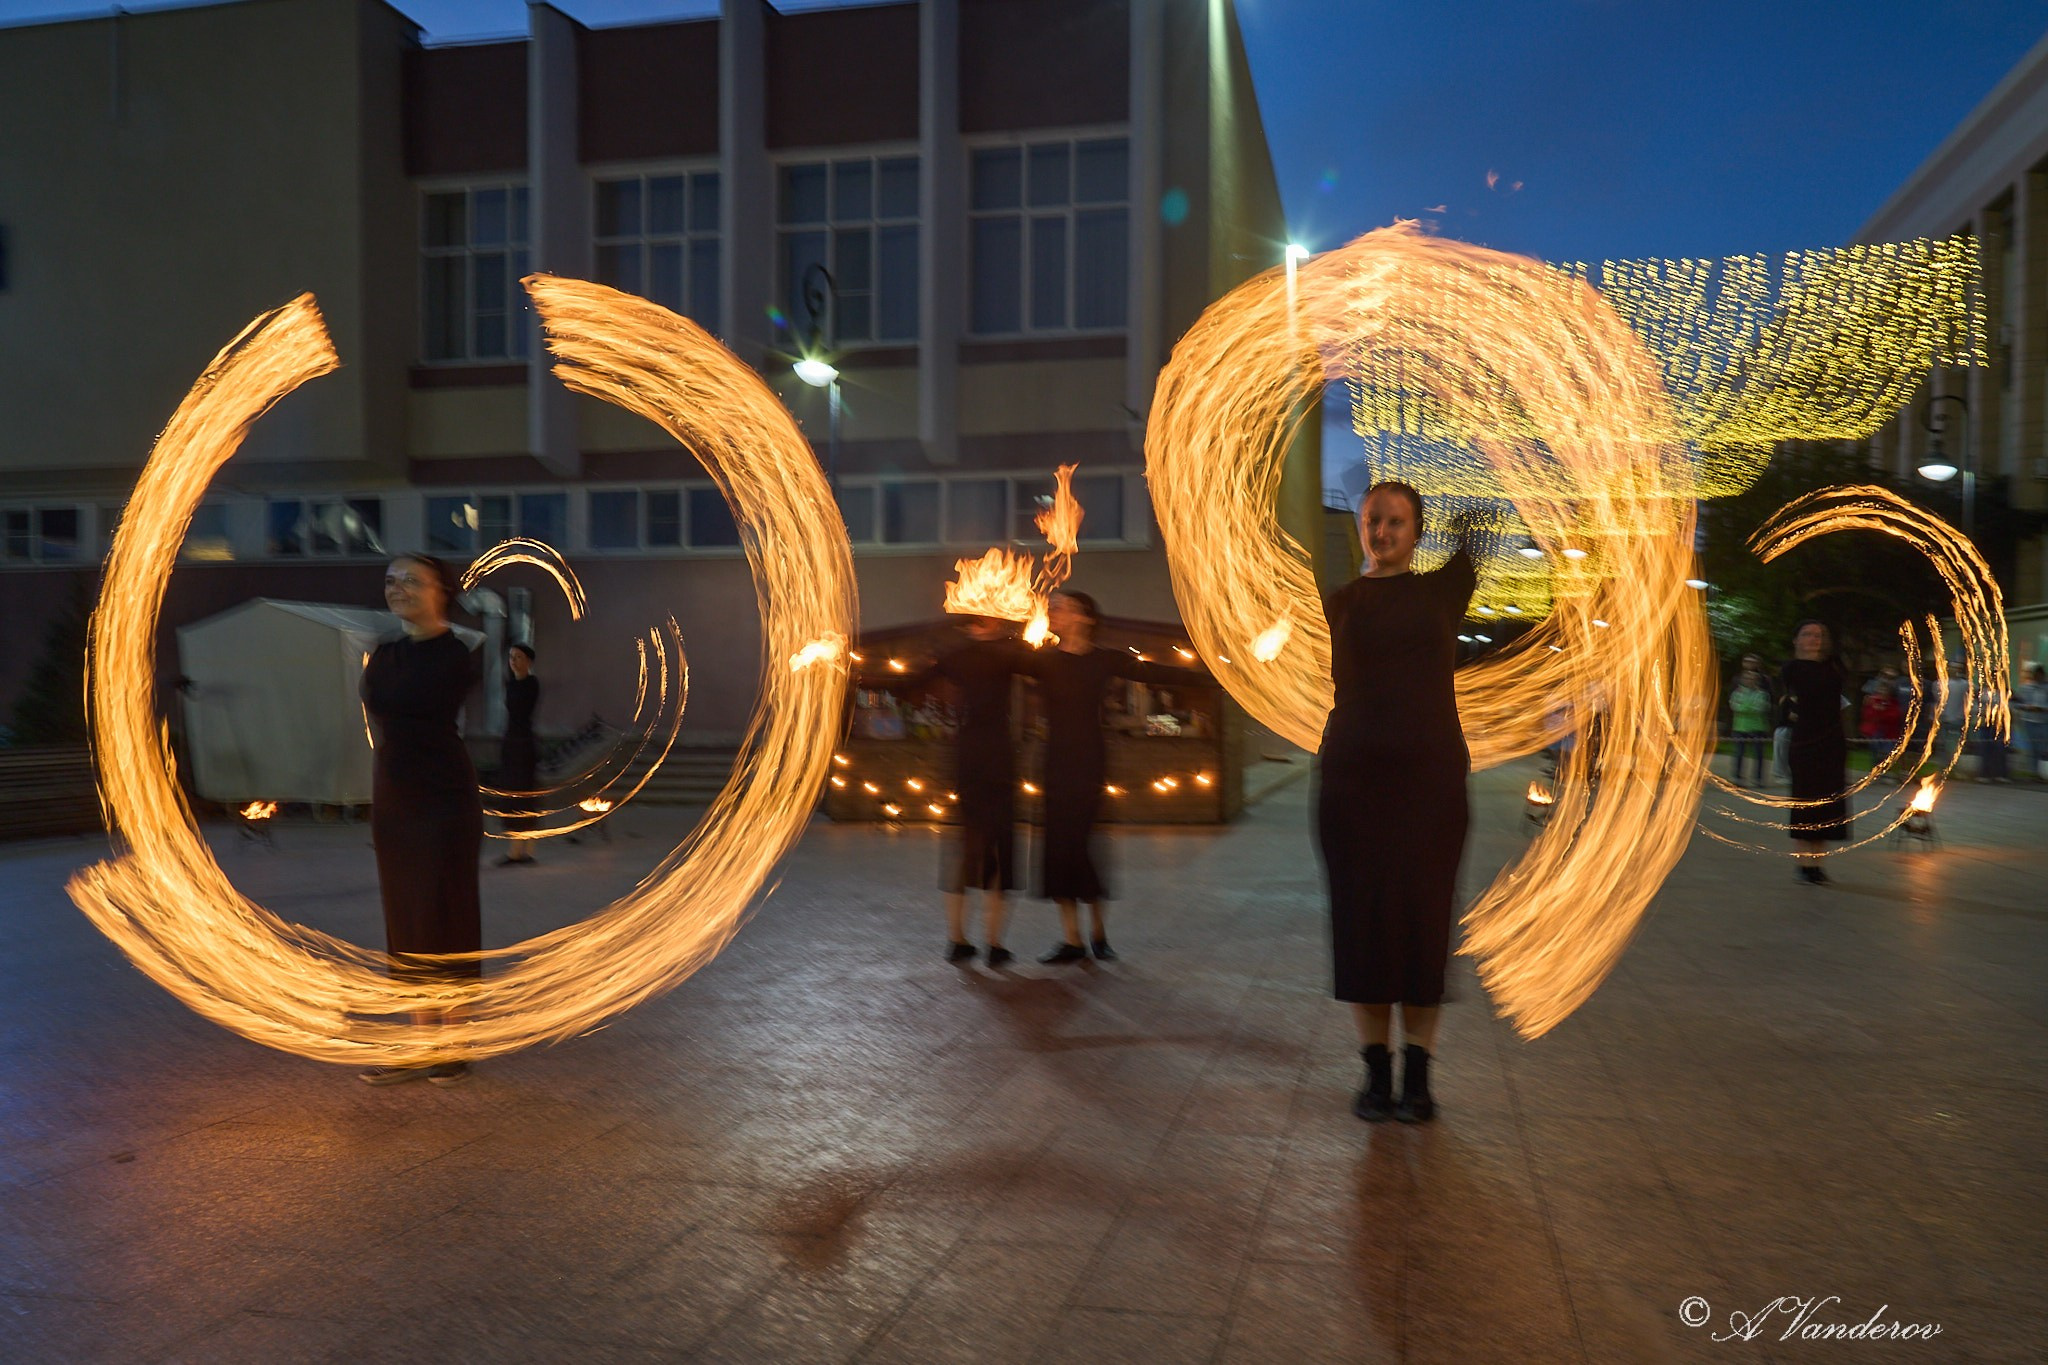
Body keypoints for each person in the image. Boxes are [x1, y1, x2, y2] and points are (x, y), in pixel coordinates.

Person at [1316, 482, 1476, 1124]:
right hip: (1352, 784)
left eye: (1395, 522)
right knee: (1362, 928)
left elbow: (1485, 518)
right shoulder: (1342, 602)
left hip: (1429, 787)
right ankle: (1375, 1075)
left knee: (1421, 924)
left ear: (1417, 532)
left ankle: (1419, 1078)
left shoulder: (1443, 591)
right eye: (1372, 520)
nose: (1381, 532)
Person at [1025, 590, 1207, 964]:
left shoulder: (1104, 660)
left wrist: (1216, 676)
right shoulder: (1042, 660)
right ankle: (1072, 939)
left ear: (1086, 617)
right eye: (1053, 608)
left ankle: (1098, 935)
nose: (1054, 612)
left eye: (1063, 607)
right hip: (1055, 762)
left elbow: (1154, 672)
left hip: (1089, 761)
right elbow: (994, 662)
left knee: (1084, 845)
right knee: (1059, 848)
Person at [358, 554, 483, 1085]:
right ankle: (418, 1040)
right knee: (405, 917)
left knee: (443, 912)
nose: (397, 588)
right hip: (395, 796)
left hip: (442, 798)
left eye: (411, 580)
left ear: (442, 590)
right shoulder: (384, 651)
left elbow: (412, 700)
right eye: (390, 581)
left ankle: (451, 1044)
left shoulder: (459, 652)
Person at [875, 616, 1033, 966]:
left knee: (982, 850)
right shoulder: (1000, 653)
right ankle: (973, 941)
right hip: (987, 760)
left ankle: (980, 941)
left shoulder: (969, 655)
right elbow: (911, 685)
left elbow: (909, 685)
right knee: (980, 850)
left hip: (980, 759)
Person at [1779, 620, 1850, 885]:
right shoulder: (1791, 670)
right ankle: (1803, 863)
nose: (1814, 639)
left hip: (1831, 743)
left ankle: (1818, 863)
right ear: (1796, 639)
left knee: (1827, 804)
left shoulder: (1833, 667)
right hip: (1804, 743)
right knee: (1805, 802)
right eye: (1807, 634)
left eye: (1819, 634)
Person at [496, 642, 540, 866]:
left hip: (523, 743)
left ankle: (526, 850)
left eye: (519, 657)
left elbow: (523, 712)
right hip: (512, 742)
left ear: (529, 661)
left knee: (524, 792)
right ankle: (516, 849)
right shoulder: (511, 684)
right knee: (511, 792)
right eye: (511, 657)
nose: (514, 661)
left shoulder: (531, 684)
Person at [1727, 654, 1774, 786]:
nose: (1749, 680)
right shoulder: (1737, 688)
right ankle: (1737, 778)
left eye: (1752, 678)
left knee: (1758, 754)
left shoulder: (1763, 689)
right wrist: (1746, 707)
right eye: (1746, 661)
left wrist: (1745, 706)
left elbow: (1762, 706)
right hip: (1740, 726)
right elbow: (1734, 705)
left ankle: (1758, 779)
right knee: (1739, 753)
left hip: (1758, 726)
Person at [1857, 669, 1903, 775]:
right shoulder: (1872, 701)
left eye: (1885, 690)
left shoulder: (1893, 702)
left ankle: (1886, 773)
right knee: (1876, 753)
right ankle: (1875, 772)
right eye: (1881, 690)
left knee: (1887, 753)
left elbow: (1895, 716)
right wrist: (1876, 710)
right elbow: (1867, 715)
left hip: (1889, 733)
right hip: (1876, 732)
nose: (1882, 692)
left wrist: (1883, 712)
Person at [2016, 663, 2048, 781]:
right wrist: (2027, 707)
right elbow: (2019, 703)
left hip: (2044, 721)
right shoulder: (2026, 688)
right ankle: (2034, 772)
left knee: (2043, 748)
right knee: (2032, 748)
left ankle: (2043, 772)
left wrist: (2043, 709)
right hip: (2030, 720)